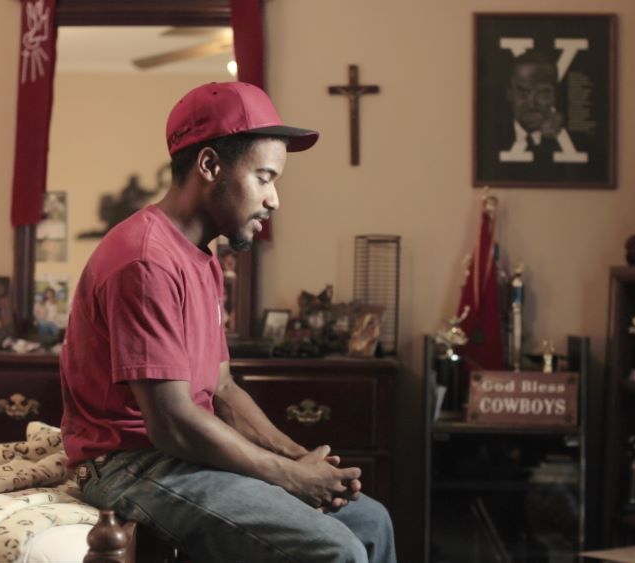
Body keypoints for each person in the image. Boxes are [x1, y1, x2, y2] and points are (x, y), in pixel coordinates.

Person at [60, 82, 396, 562]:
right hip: (127, 463)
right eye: (264, 177)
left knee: (371, 521)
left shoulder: (203, 256)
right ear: (210, 166)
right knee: (335, 549)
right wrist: (289, 477)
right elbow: (172, 422)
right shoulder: (144, 260)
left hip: (179, 454)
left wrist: (296, 458)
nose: (274, 199)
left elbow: (221, 389)